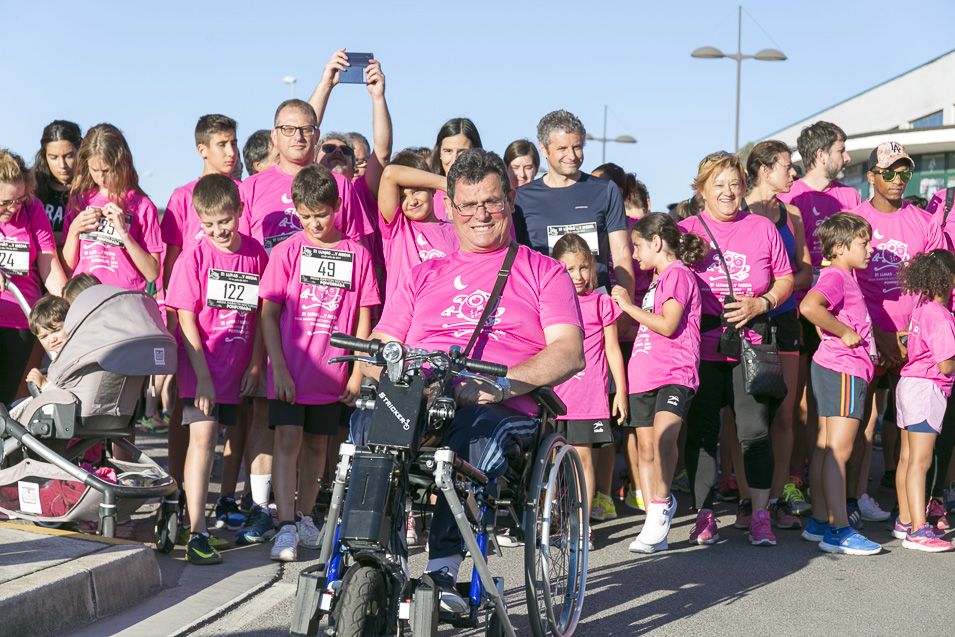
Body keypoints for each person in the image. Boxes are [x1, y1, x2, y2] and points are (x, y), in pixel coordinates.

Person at [361, 148, 584, 612]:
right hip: (424, 394)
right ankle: (365, 558)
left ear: (511, 198)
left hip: (503, 404)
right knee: (365, 430)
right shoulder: (422, 275)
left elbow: (568, 352)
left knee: (470, 442)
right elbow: (380, 347)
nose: (480, 213)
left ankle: (442, 572)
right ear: (449, 207)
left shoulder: (545, 271)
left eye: (492, 201)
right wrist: (392, 368)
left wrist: (503, 385)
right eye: (468, 204)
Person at [260, 165, 379, 562]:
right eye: (306, 216)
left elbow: (365, 316)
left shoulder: (358, 254)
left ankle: (308, 516)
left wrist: (358, 369)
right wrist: (277, 366)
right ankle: (286, 524)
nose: (314, 223)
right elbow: (269, 312)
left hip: (333, 373)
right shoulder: (286, 251)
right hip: (291, 370)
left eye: (322, 215)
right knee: (287, 441)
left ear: (337, 208)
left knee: (317, 446)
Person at [678, 151, 794, 547]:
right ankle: (704, 516)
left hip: (751, 348)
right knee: (703, 433)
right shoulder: (686, 231)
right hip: (702, 348)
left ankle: (760, 515)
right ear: (702, 190)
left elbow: (785, 278)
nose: (727, 193)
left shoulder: (762, 228)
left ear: (744, 187)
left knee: (755, 433)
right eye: (718, 185)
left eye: (734, 185)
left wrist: (762, 304)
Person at [165, 175, 268, 565]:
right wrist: (202, 376)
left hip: (238, 368)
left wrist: (257, 362)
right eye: (208, 225)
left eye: (224, 222)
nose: (218, 231)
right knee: (203, 443)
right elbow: (186, 318)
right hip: (200, 368)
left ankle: (205, 516)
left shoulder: (257, 254)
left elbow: (262, 315)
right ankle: (197, 530)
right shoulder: (194, 257)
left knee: (227, 445)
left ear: (240, 212)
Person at [850, 142, 945, 525]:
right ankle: (854, 498)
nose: (897, 180)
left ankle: (913, 511)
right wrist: (879, 333)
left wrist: (915, 334)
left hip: (914, 343)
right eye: (888, 172)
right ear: (871, 175)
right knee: (861, 422)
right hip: (867, 337)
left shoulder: (923, 221)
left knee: (913, 427)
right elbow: (843, 282)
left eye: (904, 172)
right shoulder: (854, 219)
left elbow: (938, 283)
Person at [611, 212, 704, 553]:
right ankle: (655, 514)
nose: (634, 255)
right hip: (644, 373)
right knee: (646, 449)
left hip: (674, 372)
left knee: (665, 440)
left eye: (638, 247)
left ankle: (661, 506)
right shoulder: (657, 279)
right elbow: (650, 326)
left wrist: (627, 305)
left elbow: (667, 325)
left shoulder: (677, 273)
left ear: (657, 242)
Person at [799, 213, 881, 555]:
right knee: (839, 451)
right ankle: (838, 530)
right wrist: (845, 332)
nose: (870, 248)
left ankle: (820, 521)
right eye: (863, 243)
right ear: (840, 247)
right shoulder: (836, 276)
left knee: (826, 447)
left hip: (836, 369)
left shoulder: (843, 275)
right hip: (843, 370)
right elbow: (809, 306)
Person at [744, 141, 813, 528]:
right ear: (763, 169)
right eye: (787, 167)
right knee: (748, 416)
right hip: (749, 322)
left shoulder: (792, 214)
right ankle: (745, 500)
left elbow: (804, 271)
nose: (793, 173)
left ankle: (774, 500)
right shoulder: (740, 211)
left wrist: (776, 289)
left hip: (784, 318)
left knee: (785, 414)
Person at [551, 232, 627, 551]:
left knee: (584, 461)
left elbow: (612, 348)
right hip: (555, 398)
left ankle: (582, 526)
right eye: (569, 269)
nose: (579, 276)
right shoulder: (551, 301)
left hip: (590, 398)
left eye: (583, 268)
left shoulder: (601, 303)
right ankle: (553, 520)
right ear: (556, 270)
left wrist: (620, 392)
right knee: (553, 462)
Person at [514, 110, 635, 296]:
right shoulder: (522, 198)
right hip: (546, 303)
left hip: (596, 305)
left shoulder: (605, 190)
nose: (572, 156)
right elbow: (518, 260)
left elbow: (621, 254)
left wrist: (626, 309)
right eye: (562, 149)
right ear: (544, 149)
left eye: (577, 147)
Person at [893, 250, 955, 552]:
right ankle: (919, 528)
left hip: (909, 384)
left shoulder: (922, 308)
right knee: (921, 461)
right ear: (950, 280)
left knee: (907, 459)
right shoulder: (941, 316)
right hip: (926, 389)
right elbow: (946, 365)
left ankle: (906, 519)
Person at [0, 149, 67, 405]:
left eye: (19, 198)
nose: (13, 207)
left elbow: (49, 265)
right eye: (5, 202)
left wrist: (68, 307)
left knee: (5, 400)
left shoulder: (32, 209)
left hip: (20, 318)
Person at [63, 124, 162, 291]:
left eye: (107, 170)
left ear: (122, 163)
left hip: (123, 300)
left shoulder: (142, 206)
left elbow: (152, 273)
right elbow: (67, 268)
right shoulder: (79, 201)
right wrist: (74, 230)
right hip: (84, 297)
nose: (101, 177)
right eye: (95, 170)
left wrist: (124, 233)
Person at [161, 115, 246, 282]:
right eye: (222, 145)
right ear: (202, 150)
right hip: (194, 299)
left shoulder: (246, 192)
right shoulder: (182, 197)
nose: (231, 152)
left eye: (234, 143)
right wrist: (169, 304)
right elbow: (172, 259)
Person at [376, 152, 458, 300]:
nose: (412, 201)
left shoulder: (456, 231)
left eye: (416, 191)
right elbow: (390, 173)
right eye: (402, 197)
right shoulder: (398, 228)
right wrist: (448, 183)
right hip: (406, 321)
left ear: (432, 189)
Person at [33, 120, 83, 247]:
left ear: (81, 151)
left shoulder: (94, 189)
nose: (62, 165)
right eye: (53, 157)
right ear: (44, 156)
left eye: (69, 156)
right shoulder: (30, 189)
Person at [429, 117, 483, 220]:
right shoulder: (428, 196)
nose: (454, 160)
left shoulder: (489, 193)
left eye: (462, 152)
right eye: (448, 151)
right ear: (439, 153)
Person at [24, 294, 70, 391]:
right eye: (44, 337)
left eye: (56, 330)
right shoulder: (57, 361)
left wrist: (45, 385)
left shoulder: (75, 357)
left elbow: (71, 396)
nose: (52, 339)